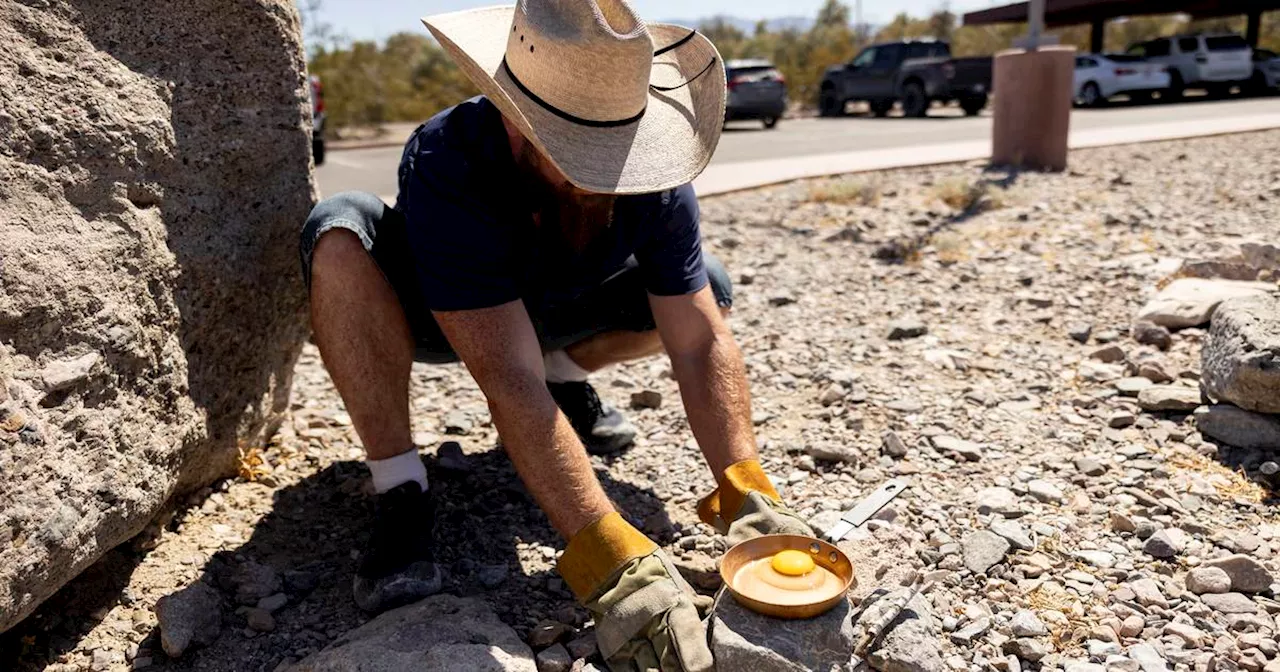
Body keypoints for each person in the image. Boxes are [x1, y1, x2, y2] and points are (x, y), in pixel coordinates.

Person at [299, 1, 812, 668]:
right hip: (447, 317)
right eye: (584, 156)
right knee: (339, 232)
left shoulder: (653, 170)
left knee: (708, 285)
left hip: (557, 308)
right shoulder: (449, 160)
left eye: (617, 149)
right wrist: (607, 553)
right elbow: (505, 375)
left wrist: (746, 484)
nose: (611, 177)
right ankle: (400, 487)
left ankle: (567, 377)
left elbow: (698, 341)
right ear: (518, 122)